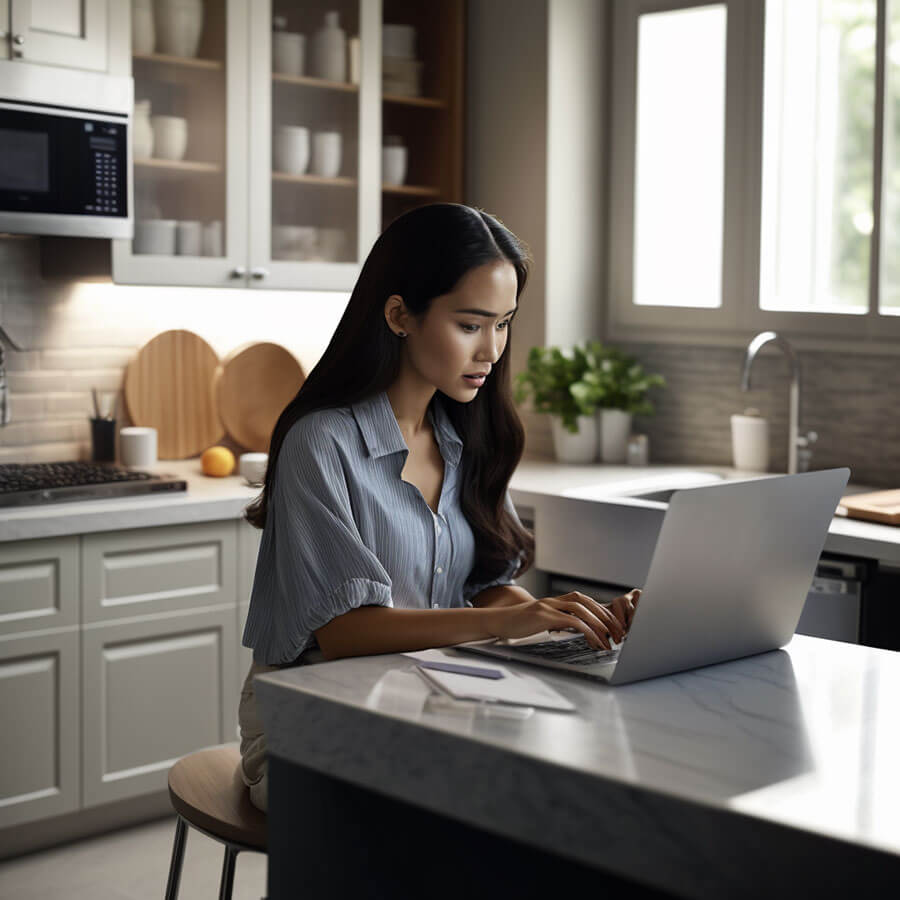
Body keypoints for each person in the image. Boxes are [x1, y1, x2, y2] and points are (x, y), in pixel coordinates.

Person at [237, 203, 640, 812]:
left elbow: (485, 590)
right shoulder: (321, 442)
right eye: (471, 325)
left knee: (568, 783)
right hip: (309, 721)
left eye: (503, 324)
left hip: (435, 702)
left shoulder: (470, 436)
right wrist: (504, 623)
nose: (493, 351)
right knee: (488, 807)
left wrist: (574, 623)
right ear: (400, 315)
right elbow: (346, 634)